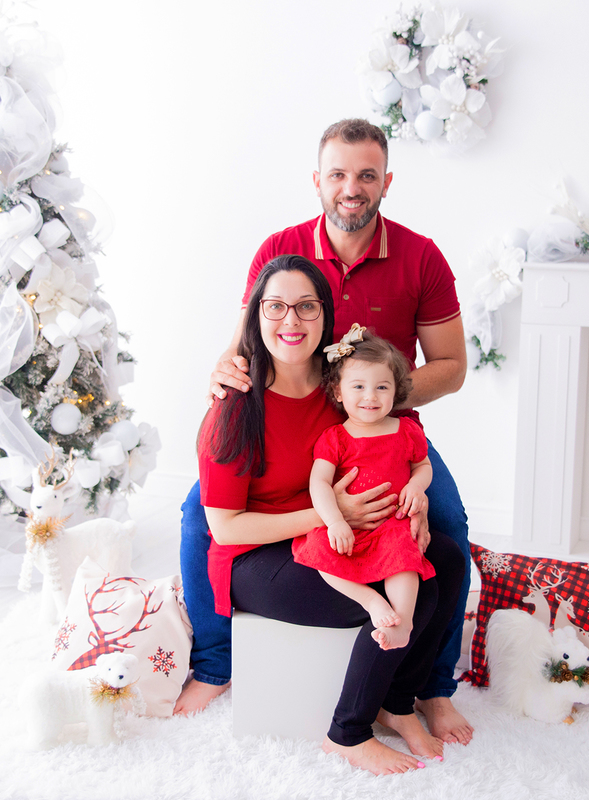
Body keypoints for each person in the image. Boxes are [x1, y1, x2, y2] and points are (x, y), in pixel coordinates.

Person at [178, 119, 473, 745]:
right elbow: (244, 341)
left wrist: (374, 403)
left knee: (448, 527)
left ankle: (431, 687)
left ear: (386, 182)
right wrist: (222, 372)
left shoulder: (421, 256)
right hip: (288, 419)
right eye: (338, 174)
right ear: (318, 180)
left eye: (366, 175)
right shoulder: (281, 247)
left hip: (387, 428)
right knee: (198, 517)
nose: (351, 188)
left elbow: (453, 367)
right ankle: (216, 662)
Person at [198, 254, 464, 774]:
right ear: (254, 316)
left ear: (325, 317)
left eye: (305, 307)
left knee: (448, 561)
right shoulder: (234, 407)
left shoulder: (347, 387)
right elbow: (224, 526)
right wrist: (329, 515)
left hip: (352, 530)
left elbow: (402, 452)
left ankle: (399, 698)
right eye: (275, 307)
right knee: (401, 591)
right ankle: (347, 732)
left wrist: (417, 499)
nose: (291, 321)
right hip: (256, 556)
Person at [294, 325, 435, 652]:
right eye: (358, 386)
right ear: (339, 392)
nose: (370, 397)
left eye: (381, 387)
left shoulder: (407, 430)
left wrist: (417, 484)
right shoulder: (335, 438)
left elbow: (423, 466)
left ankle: (404, 621)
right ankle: (370, 600)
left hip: (391, 523)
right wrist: (335, 522)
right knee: (319, 551)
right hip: (349, 527)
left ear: (395, 391)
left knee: (405, 558)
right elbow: (319, 483)